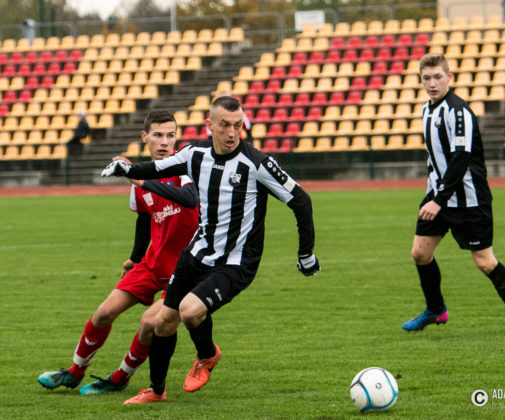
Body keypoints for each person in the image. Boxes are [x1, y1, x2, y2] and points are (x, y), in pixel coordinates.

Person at [101, 96, 320, 404]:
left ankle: (207, 355)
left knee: (190, 311)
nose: (232, 132)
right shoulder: (194, 154)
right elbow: (156, 168)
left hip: (236, 262)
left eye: (237, 125)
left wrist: (306, 254)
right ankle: (156, 391)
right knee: (162, 321)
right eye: (225, 125)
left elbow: (301, 200)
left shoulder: (257, 164)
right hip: (198, 253)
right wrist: (126, 168)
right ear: (210, 125)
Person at [38, 110, 200, 394]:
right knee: (103, 313)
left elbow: (190, 199)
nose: (164, 142)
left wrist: (140, 180)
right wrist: (134, 259)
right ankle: (74, 372)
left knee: (149, 323)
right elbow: (144, 220)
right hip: (153, 264)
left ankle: (120, 378)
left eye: (170, 135)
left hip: (186, 269)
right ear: (145, 137)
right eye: (158, 135)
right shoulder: (139, 179)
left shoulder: (185, 168)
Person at [401, 53, 505, 337]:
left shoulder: (458, 112)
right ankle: (436, 310)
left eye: (438, 77)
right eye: (427, 78)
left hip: (469, 200)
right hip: (438, 195)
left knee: (484, 262)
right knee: (420, 253)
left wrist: (438, 200)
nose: (432, 83)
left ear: (449, 77)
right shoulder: (426, 110)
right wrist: (434, 193)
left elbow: (461, 159)